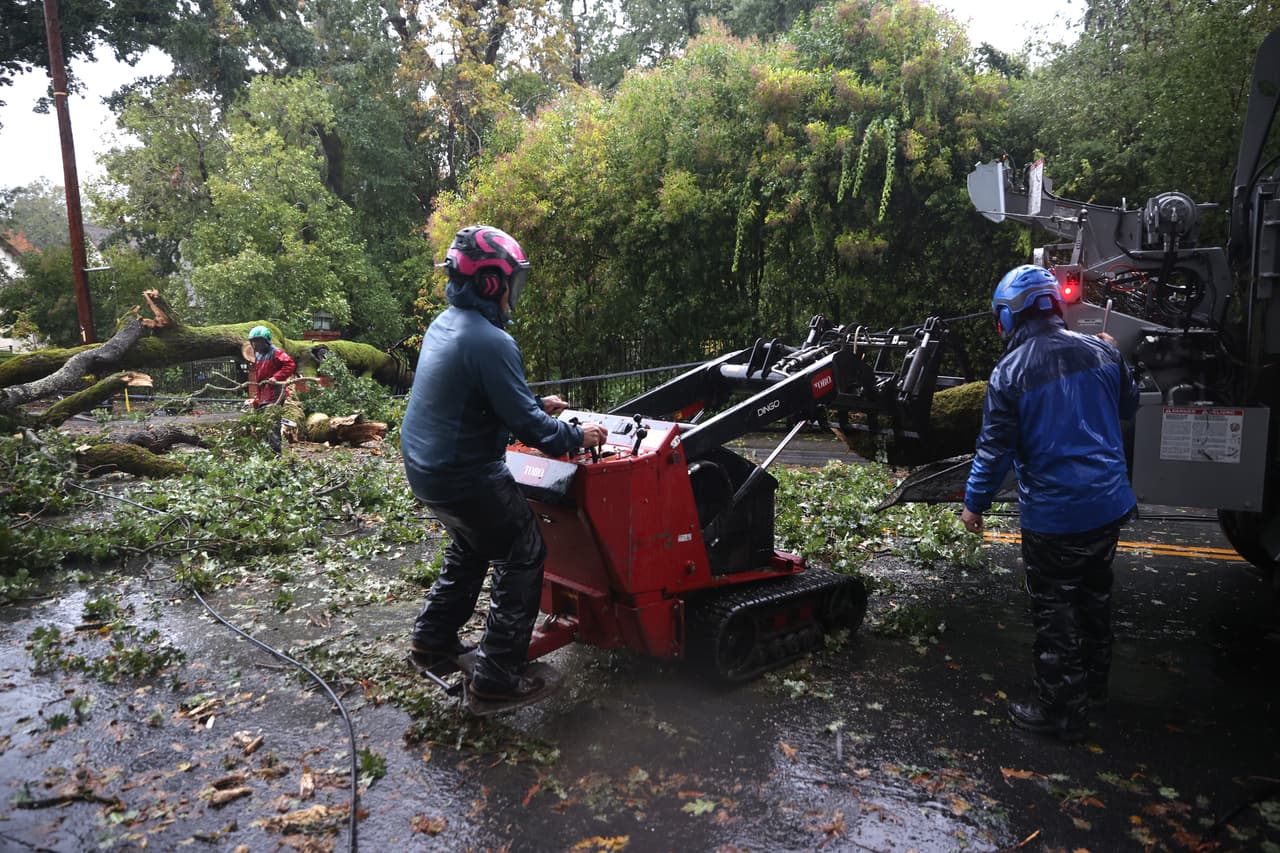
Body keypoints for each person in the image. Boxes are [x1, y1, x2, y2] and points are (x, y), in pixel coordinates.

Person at [400, 224, 608, 702]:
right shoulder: (491, 342)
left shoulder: (446, 324)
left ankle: (431, 640)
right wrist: (581, 434)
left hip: (426, 469)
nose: (516, 291)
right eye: (512, 280)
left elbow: (480, 402)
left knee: (471, 544)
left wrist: (535, 403)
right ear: (492, 282)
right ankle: (497, 675)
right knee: (523, 550)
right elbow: (538, 434)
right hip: (464, 474)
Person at [960, 264, 1139, 742]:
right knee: (1093, 598)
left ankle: (1061, 711)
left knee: (1054, 611)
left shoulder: (1008, 374)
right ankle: (1095, 691)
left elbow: (994, 448)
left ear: (1007, 317)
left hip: (1055, 517)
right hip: (1107, 506)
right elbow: (1128, 406)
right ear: (1053, 306)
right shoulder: (1101, 351)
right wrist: (1116, 356)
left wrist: (974, 504)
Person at [245, 325, 297, 410]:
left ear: (266, 341)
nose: (255, 344)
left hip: (275, 391)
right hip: (263, 390)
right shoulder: (257, 355)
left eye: (258, 341)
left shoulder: (276, 352)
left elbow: (290, 364)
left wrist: (276, 377)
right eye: (253, 341)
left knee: (271, 412)